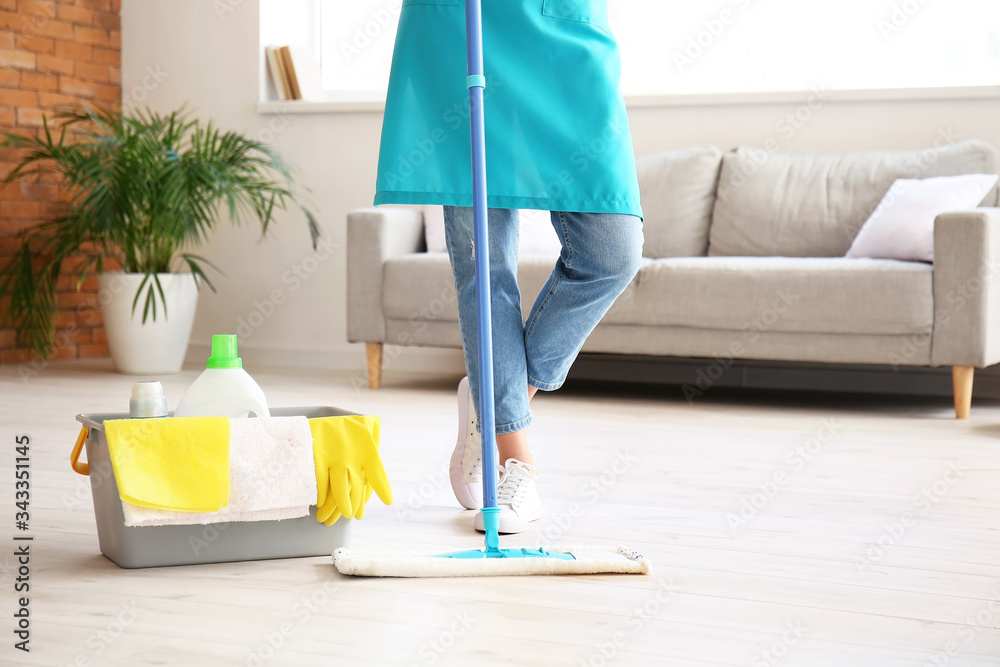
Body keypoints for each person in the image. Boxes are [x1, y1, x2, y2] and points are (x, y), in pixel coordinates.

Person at [374, 0, 643, 533]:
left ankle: (495, 394)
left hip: (563, 32)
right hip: (464, 30)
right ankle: (514, 459)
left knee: (613, 252)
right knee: (484, 262)